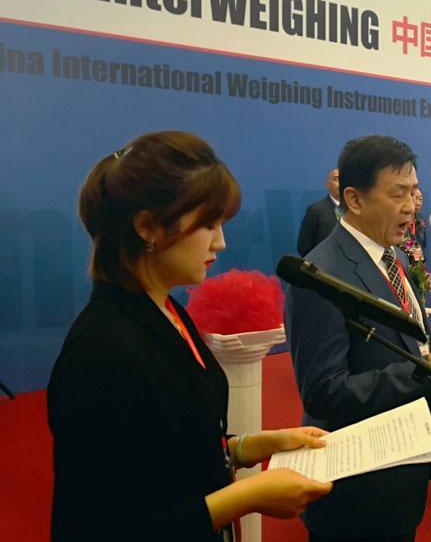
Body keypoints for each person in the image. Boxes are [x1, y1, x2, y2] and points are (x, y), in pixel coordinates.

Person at [48, 131, 333, 542]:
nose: (221, 242)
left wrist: (250, 446)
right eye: (209, 225)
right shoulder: (101, 351)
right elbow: (106, 525)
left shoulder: (167, 311)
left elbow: (167, 443)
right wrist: (247, 496)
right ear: (148, 227)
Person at [286, 135, 431, 542]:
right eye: (397, 193)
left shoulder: (396, 256)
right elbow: (323, 392)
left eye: (414, 191)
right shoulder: (319, 275)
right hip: (357, 486)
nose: (411, 205)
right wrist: (425, 373)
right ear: (354, 199)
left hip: (405, 463)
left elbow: (412, 343)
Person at [297, 168, 341, 256]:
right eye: (336, 179)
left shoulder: (355, 210)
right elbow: (304, 247)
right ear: (327, 184)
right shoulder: (315, 210)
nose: (341, 183)